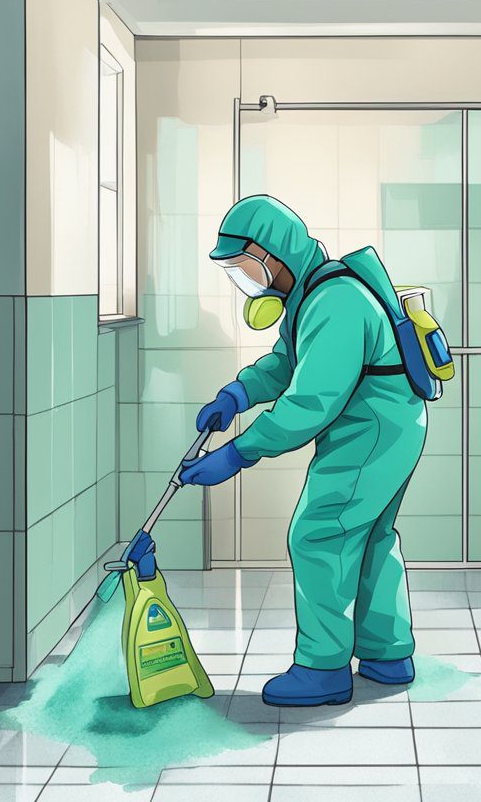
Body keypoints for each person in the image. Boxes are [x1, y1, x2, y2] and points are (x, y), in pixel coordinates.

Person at [178, 194, 426, 707]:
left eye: (242, 266)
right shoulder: (312, 294)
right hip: (390, 424)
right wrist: (238, 393)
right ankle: (387, 653)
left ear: (274, 254)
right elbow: (286, 364)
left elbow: (310, 402)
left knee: (318, 534)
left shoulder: (335, 302)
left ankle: (324, 669)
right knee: (371, 535)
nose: (242, 279)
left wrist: (238, 453)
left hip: (371, 431)